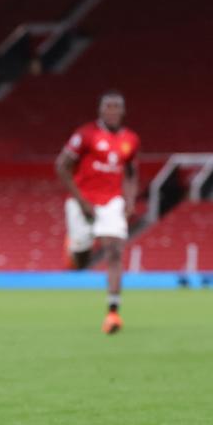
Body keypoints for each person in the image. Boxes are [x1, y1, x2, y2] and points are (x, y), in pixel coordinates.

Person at [56, 91, 139, 334]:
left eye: (116, 106)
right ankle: (74, 247)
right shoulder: (86, 135)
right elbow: (61, 166)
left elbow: (131, 172)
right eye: (108, 106)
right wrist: (81, 201)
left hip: (112, 201)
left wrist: (129, 200)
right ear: (100, 110)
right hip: (82, 200)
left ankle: (113, 312)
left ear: (123, 111)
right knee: (81, 259)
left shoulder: (131, 139)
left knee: (114, 250)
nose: (112, 111)